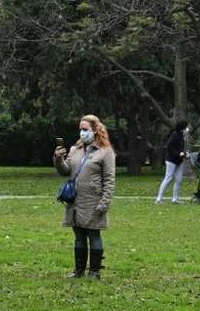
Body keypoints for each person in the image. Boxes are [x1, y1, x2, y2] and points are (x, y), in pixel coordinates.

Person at [53, 114, 116, 280]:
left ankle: (94, 272)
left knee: (94, 236)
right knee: (79, 236)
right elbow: (65, 170)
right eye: (80, 129)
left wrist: (104, 204)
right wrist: (58, 158)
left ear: (95, 130)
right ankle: (78, 270)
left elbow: (110, 180)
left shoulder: (105, 153)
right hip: (75, 201)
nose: (82, 132)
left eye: (85, 129)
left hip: (93, 201)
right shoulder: (75, 150)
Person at [155, 120, 188, 205]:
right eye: (185, 128)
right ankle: (159, 198)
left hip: (178, 161)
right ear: (182, 128)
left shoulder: (181, 135)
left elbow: (180, 146)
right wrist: (178, 154)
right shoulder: (175, 134)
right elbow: (170, 147)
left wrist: (183, 153)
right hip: (171, 160)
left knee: (179, 179)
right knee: (168, 178)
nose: (186, 129)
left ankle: (175, 199)